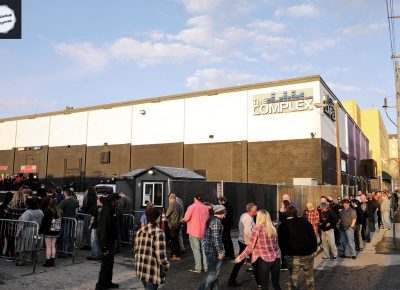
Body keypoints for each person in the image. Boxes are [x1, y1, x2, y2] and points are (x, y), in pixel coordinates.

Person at [235, 210, 281, 290]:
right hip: (276, 258)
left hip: (264, 260)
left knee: (264, 285)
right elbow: (276, 245)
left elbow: (250, 246)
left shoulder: (256, 229)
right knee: (276, 284)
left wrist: (240, 257)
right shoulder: (273, 228)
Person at [278, 206, 317, 290]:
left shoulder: (283, 225)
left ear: (286, 213)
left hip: (291, 256)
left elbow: (280, 241)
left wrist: (284, 253)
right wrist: (314, 249)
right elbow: (313, 237)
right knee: (309, 276)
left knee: (293, 277)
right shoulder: (305, 222)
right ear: (296, 212)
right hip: (307, 254)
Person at [135, 207, 170, 290]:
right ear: (157, 218)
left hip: (141, 268)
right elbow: (161, 256)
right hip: (152, 270)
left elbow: (136, 250)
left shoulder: (140, 231)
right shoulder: (159, 233)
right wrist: (166, 266)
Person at [228, 203, 259, 287]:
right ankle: (260, 283)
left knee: (242, 262)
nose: (257, 211)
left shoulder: (244, 215)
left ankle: (231, 280)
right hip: (246, 243)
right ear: (251, 210)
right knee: (255, 262)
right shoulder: (249, 219)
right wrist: (253, 243)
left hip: (242, 241)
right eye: (256, 210)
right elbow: (248, 233)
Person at [95, 193, 121, 290]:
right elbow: (104, 227)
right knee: (106, 263)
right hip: (106, 240)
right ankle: (100, 285)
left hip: (110, 239)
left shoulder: (111, 208)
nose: (118, 202)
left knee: (110, 263)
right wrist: (104, 244)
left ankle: (108, 282)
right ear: (113, 200)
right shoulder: (107, 209)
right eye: (117, 200)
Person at [198, 205, 226, 290]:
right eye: (224, 212)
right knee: (214, 274)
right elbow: (216, 238)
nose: (225, 214)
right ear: (221, 212)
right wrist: (220, 252)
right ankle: (202, 289)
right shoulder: (216, 221)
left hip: (210, 250)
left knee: (214, 272)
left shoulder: (211, 219)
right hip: (213, 251)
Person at [182, 194, 209, 273]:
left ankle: (198, 268)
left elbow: (186, 218)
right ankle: (206, 267)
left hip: (193, 231)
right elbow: (207, 218)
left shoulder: (191, 207)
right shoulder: (205, 208)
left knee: (196, 250)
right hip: (203, 231)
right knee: (204, 249)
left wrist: (183, 219)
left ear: (195, 199)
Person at [16, 198, 44, 266]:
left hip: (27, 231)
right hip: (37, 230)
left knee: (24, 245)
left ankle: (22, 261)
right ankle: (33, 259)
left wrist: (18, 233)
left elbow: (23, 223)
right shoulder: (40, 211)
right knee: (35, 245)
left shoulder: (28, 212)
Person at [40, 199, 62, 267]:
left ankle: (48, 261)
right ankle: (52, 260)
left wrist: (40, 231)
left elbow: (44, 222)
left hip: (48, 231)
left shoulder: (48, 211)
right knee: (53, 246)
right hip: (56, 230)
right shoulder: (59, 212)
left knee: (48, 247)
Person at [166, 193, 183, 261]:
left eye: (169, 199)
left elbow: (167, 214)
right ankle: (177, 254)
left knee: (173, 240)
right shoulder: (179, 205)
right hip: (178, 224)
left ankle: (175, 255)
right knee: (176, 240)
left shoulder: (172, 205)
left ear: (171, 198)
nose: (169, 200)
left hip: (173, 224)